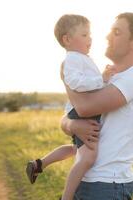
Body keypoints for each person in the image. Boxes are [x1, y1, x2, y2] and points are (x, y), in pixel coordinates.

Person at [60, 12, 133, 199]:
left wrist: (65, 77)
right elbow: (70, 115)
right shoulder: (105, 79)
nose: (107, 36)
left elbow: (84, 108)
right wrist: (72, 125)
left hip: (107, 185)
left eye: (117, 32)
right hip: (88, 180)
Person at [25, 14, 115, 200]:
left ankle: (38, 164)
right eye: (84, 35)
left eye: (90, 34)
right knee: (87, 158)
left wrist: (104, 80)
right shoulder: (73, 59)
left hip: (79, 111)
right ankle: (66, 197)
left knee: (75, 150)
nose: (90, 39)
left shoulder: (81, 58)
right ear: (67, 39)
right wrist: (102, 79)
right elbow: (75, 82)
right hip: (81, 113)